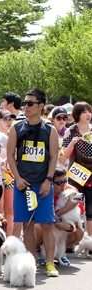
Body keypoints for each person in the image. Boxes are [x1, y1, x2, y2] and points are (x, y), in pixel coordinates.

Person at [6, 88, 59, 277]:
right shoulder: (17, 128)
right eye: (24, 104)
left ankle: (50, 263)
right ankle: (32, 261)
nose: (25, 107)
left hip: (43, 184)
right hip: (23, 185)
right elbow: (10, 156)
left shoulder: (49, 130)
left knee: (46, 224)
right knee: (27, 224)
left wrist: (48, 180)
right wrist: (17, 179)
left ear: (41, 106)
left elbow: (54, 157)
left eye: (30, 103)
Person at [35, 168, 85, 266]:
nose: (63, 185)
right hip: (45, 224)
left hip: (63, 227)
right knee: (39, 228)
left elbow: (78, 217)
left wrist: (68, 227)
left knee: (79, 232)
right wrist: (66, 209)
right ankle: (37, 250)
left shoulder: (72, 191)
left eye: (65, 181)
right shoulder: (42, 190)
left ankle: (60, 252)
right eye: (59, 183)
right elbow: (38, 218)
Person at [62, 101, 92, 238]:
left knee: (91, 209)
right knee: (73, 205)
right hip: (76, 173)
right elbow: (65, 155)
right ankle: (72, 238)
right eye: (84, 112)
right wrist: (73, 142)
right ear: (77, 114)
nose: (88, 115)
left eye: (89, 111)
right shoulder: (71, 130)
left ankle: (90, 240)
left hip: (91, 173)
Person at [0, 109, 17, 236]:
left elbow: (17, 154)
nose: (8, 122)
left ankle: (8, 238)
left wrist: (10, 162)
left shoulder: (13, 136)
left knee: (9, 210)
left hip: (10, 176)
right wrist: (1, 164)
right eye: (5, 119)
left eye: (10, 119)